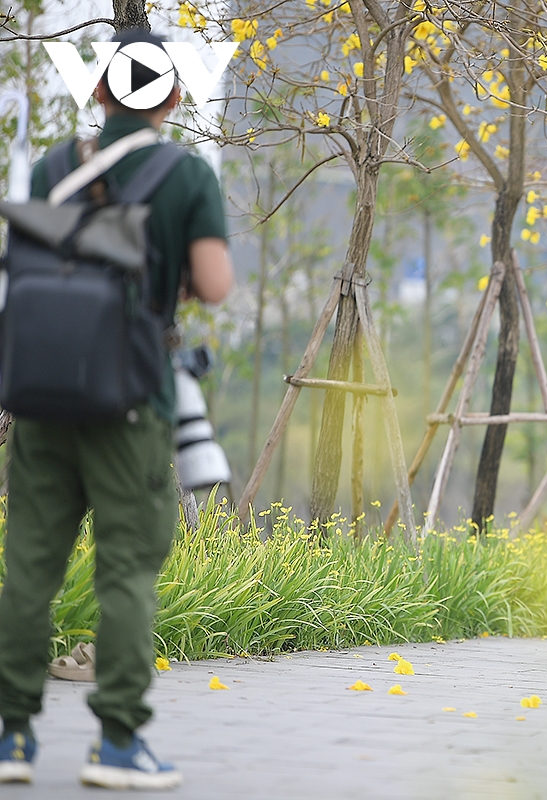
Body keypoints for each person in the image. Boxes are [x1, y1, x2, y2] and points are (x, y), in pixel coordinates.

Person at [0, 29, 233, 790]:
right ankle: (120, 745)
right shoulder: (185, 174)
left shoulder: (52, 167)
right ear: (173, 97)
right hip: (131, 399)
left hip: (41, 394)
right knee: (127, 570)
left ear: (99, 90)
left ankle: (11, 737)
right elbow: (214, 284)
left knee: (29, 566)